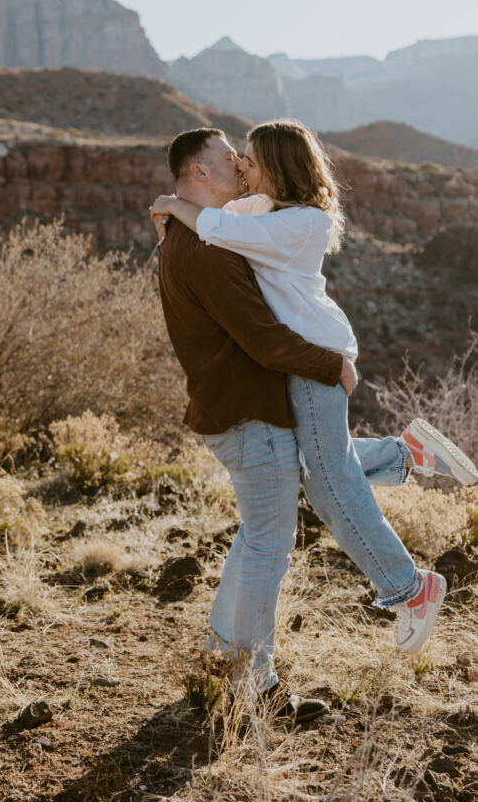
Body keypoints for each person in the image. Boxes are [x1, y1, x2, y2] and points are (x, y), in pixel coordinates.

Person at [152, 124, 477, 714]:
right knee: (276, 531)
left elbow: (265, 324)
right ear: (200, 172)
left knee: (292, 513)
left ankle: (241, 666)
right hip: (248, 406)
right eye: (231, 159)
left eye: (247, 160)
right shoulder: (207, 243)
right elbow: (262, 336)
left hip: (258, 397)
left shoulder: (230, 229)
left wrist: (173, 208)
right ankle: (247, 673)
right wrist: (174, 209)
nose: (240, 167)